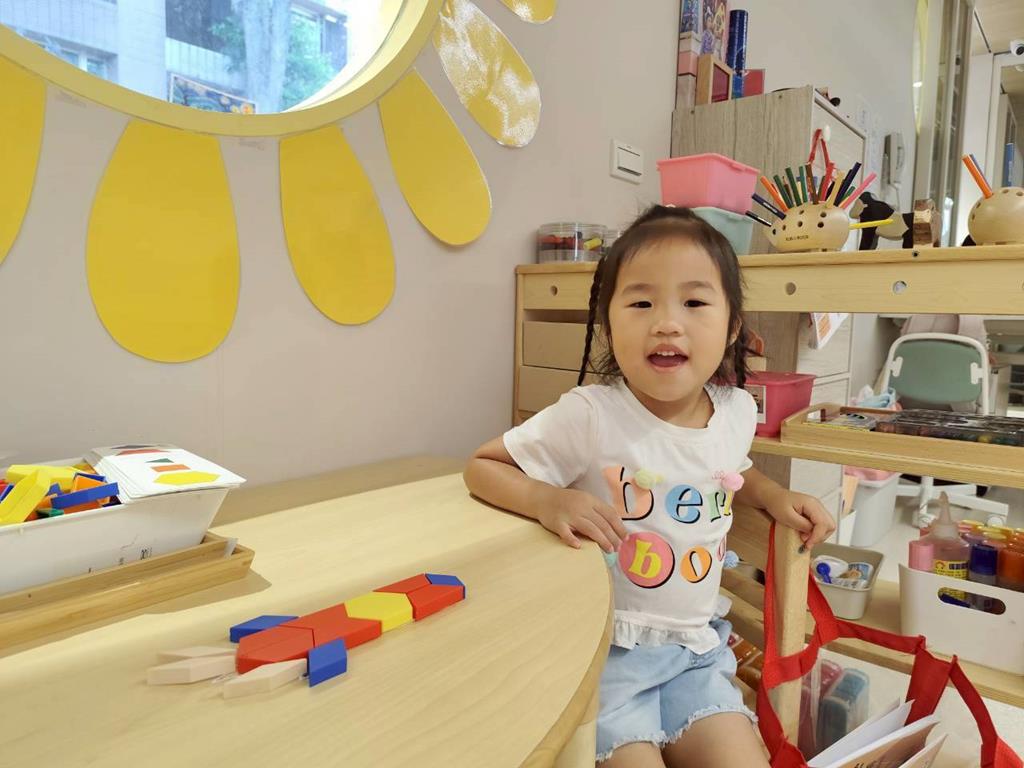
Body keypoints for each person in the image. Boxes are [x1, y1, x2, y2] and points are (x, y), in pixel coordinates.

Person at [464, 206, 835, 767]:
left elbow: (730, 469)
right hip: (604, 656)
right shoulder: (591, 414)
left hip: (695, 655)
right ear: (609, 324)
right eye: (641, 304)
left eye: (694, 303)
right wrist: (547, 498)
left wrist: (772, 496)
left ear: (733, 326)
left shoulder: (736, 410)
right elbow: (482, 466)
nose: (666, 323)